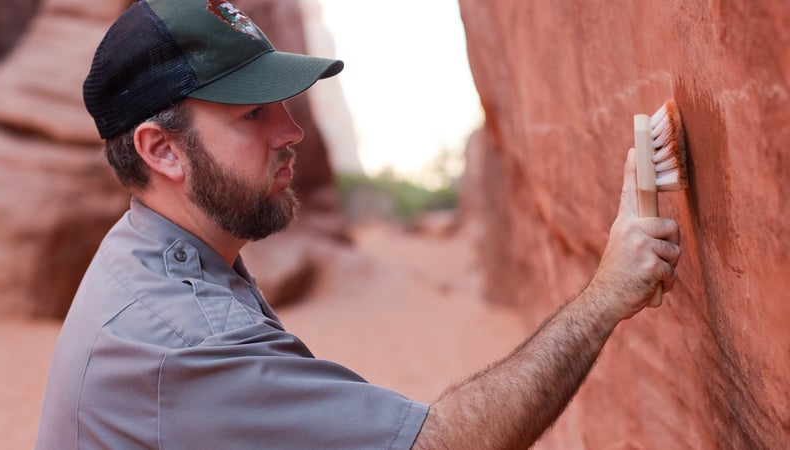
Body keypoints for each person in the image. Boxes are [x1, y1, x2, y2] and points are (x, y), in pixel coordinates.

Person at [35, 0, 682, 448]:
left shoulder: (153, 252)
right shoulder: (185, 339)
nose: (290, 132)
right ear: (161, 151)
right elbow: (438, 445)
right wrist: (604, 297)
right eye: (252, 114)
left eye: (283, 105)